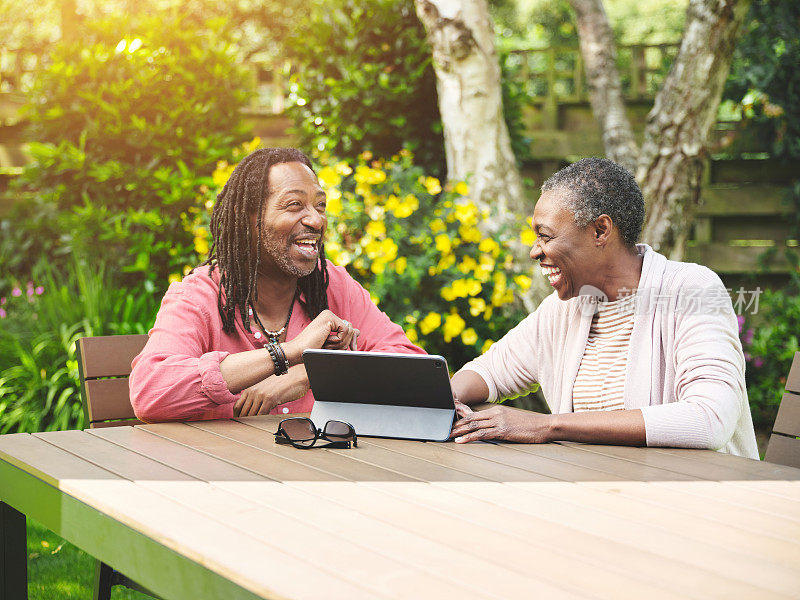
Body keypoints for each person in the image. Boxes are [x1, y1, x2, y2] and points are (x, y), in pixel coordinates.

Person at [450, 158, 758, 458]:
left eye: (545, 236)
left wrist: (548, 426)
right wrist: (448, 395)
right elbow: (487, 371)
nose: (534, 251)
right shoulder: (563, 311)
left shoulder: (691, 290)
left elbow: (709, 419)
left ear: (600, 231)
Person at [129, 147, 423, 422]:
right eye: (295, 205)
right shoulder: (199, 296)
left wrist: (306, 374)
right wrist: (288, 353)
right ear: (248, 219)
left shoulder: (333, 285)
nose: (316, 220)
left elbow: (413, 369)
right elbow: (151, 391)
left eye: (320, 205)